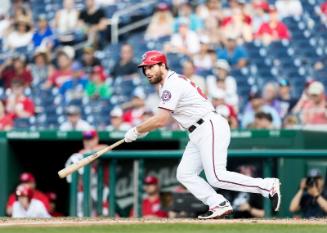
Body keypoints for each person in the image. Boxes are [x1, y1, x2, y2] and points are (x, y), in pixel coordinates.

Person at [123, 50, 281, 219]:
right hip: (197, 130)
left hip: (208, 125)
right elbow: (165, 119)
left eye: (151, 67)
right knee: (185, 173)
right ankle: (217, 203)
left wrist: (137, 130)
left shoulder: (172, 84)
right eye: (145, 68)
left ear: (162, 65)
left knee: (217, 177)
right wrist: (145, 129)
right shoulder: (166, 86)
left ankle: (267, 186)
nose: (147, 72)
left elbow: (161, 119)